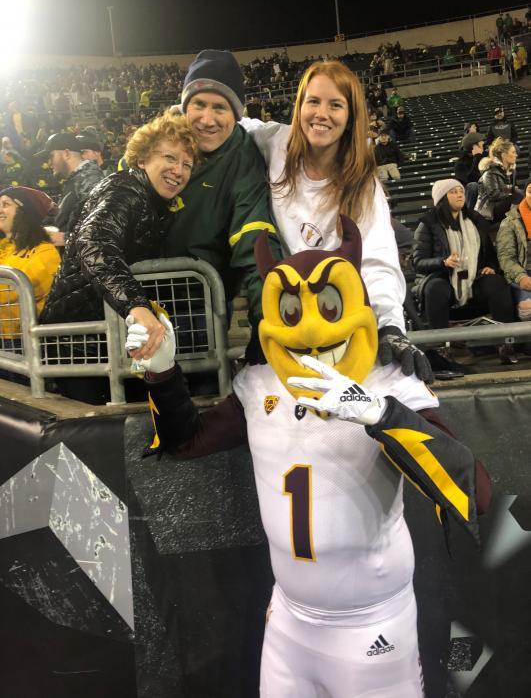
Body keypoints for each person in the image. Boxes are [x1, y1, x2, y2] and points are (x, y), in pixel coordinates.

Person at [127, 217, 488, 697]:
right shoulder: (259, 384)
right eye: (294, 308)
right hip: (289, 624)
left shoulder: (389, 383)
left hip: (373, 627)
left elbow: (472, 492)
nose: (313, 326)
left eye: (330, 305)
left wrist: (378, 413)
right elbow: (187, 440)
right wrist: (162, 373)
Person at [241, 60, 431, 381]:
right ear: (299, 104)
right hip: (289, 315)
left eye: (336, 105)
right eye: (312, 101)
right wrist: (183, 106)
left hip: (338, 318)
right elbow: (228, 121)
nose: (321, 114)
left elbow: (377, 260)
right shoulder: (276, 142)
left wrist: (390, 327)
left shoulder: (363, 184)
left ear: (351, 116)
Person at [39, 111, 198, 404]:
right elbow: (94, 241)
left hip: (99, 339)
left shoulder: (156, 202)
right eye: (170, 158)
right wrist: (137, 307)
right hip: (76, 342)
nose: (179, 170)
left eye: (187, 164)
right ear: (142, 159)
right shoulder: (126, 188)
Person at [165, 49, 282, 363]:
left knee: (197, 391)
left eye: (220, 107)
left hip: (200, 306)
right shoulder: (154, 142)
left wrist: (269, 319)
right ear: (184, 106)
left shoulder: (243, 158)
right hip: (135, 302)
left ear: (236, 114)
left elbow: (255, 239)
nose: (207, 119)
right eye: (199, 104)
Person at [412, 179, 517, 367]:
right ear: (442, 198)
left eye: (461, 190)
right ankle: (441, 348)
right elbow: (418, 262)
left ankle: (505, 343)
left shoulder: (475, 220)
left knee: (497, 284)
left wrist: (490, 267)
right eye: (453, 192)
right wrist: (443, 262)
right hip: (441, 278)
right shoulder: (428, 224)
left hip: (473, 278)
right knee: (436, 289)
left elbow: (489, 254)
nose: (460, 194)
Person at [0, 187, 60, 373]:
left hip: (19, 344)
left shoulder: (45, 253)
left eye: (6, 205)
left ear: (25, 212)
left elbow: (11, 291)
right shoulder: (3, 247)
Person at [34, 132, 104, 247]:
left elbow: (102, 230)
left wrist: (66, 238)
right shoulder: (76, 179)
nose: (49, 163)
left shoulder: (90, 179)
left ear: (66, 153)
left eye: (51, 156)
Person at [496, 178, 531, 323]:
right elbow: (506, 256)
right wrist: (521, 277)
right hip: (523, 272)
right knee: (527, 309)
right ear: (525, 194)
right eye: (530, 191)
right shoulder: (510, 221)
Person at [475, 137, 519, 241]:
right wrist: (510, 192)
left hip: (500, 206)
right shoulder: (490, 171)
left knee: (518, 194)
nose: (516, 155)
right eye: (513, 152)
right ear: (504, 155)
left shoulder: (509, 171)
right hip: (488, 211)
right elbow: (493, 194)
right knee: (517, 195)